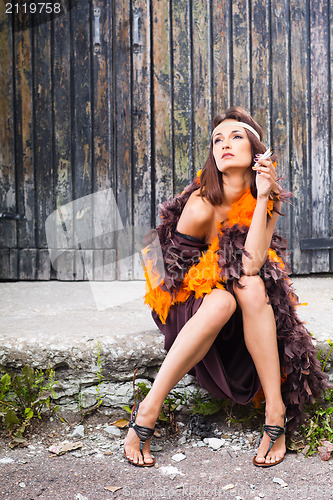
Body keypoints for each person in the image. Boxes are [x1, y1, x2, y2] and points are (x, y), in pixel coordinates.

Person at [124, 107, 328, 468]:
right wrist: (219, 280)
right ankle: (149, 408)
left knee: (249, 286)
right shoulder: (202, 204)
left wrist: (265, 196)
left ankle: (276, 410)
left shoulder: (267, 198)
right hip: (182, 296)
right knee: (221, 301)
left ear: (256, 152)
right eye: (218, 139)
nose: (224, 144)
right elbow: (170, 274)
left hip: (234, 292)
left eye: (236, 136)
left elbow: (249, 264)